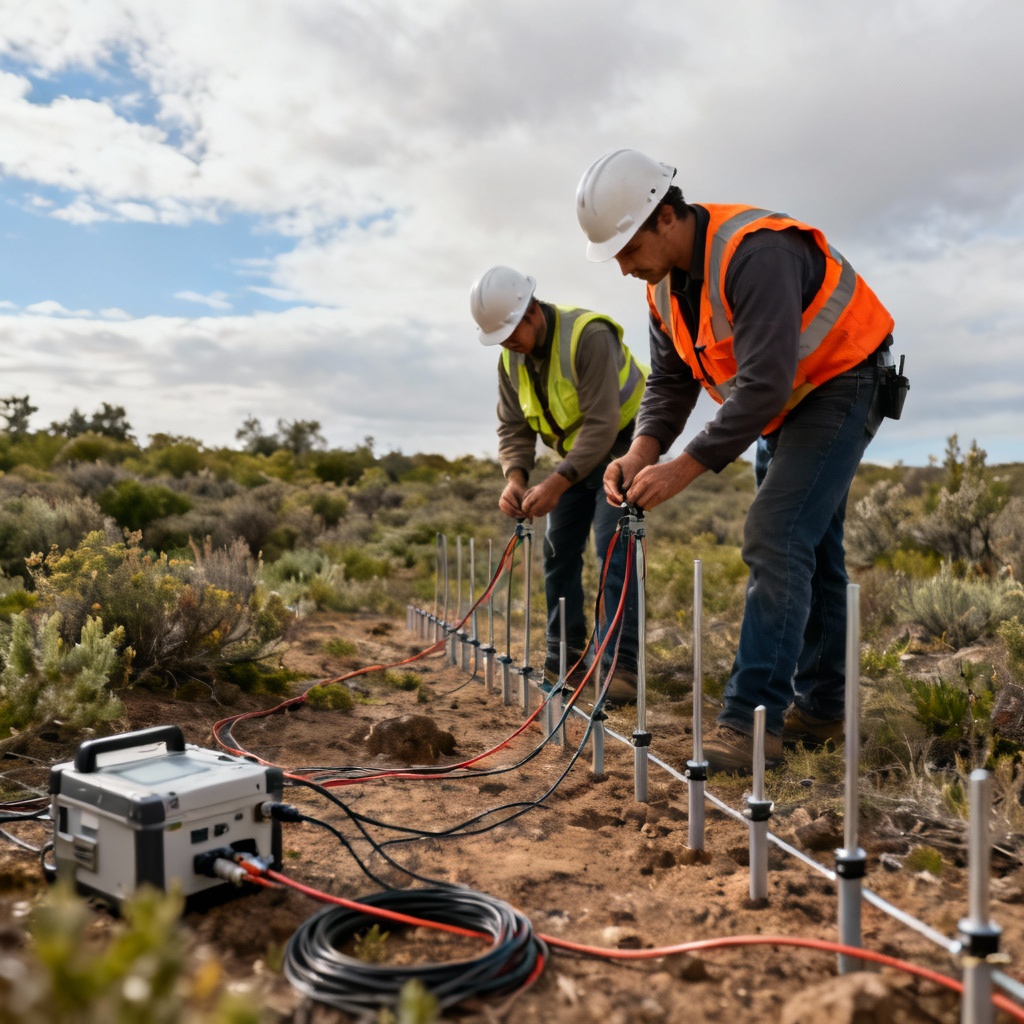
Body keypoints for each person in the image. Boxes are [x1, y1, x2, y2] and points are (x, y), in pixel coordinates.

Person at [575, 149, 896, 771]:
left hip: (841, 384)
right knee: (812, 544)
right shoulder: (662, 287)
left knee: (775, 535)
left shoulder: (757, 253)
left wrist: (682, 468)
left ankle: (752, 722)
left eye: (627, 248)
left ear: (666, 216)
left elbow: (764, 383)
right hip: (782, 409)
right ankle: (825, 711)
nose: (621, 267)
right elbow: (669, 386)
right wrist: (640, 452)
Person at [469, 265, 647, 702]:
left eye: (512, 330)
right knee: (558, 551)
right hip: (573, 457)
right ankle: (564, 657)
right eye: (500, 336)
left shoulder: (589, 336)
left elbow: (603, 424)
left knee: (612, 547)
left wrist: (556, 482)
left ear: (531, 311)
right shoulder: (510, 357)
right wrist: (516, 478)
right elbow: (513, 427)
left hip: (624, 444)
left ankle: (621, 668)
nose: (509, 342)